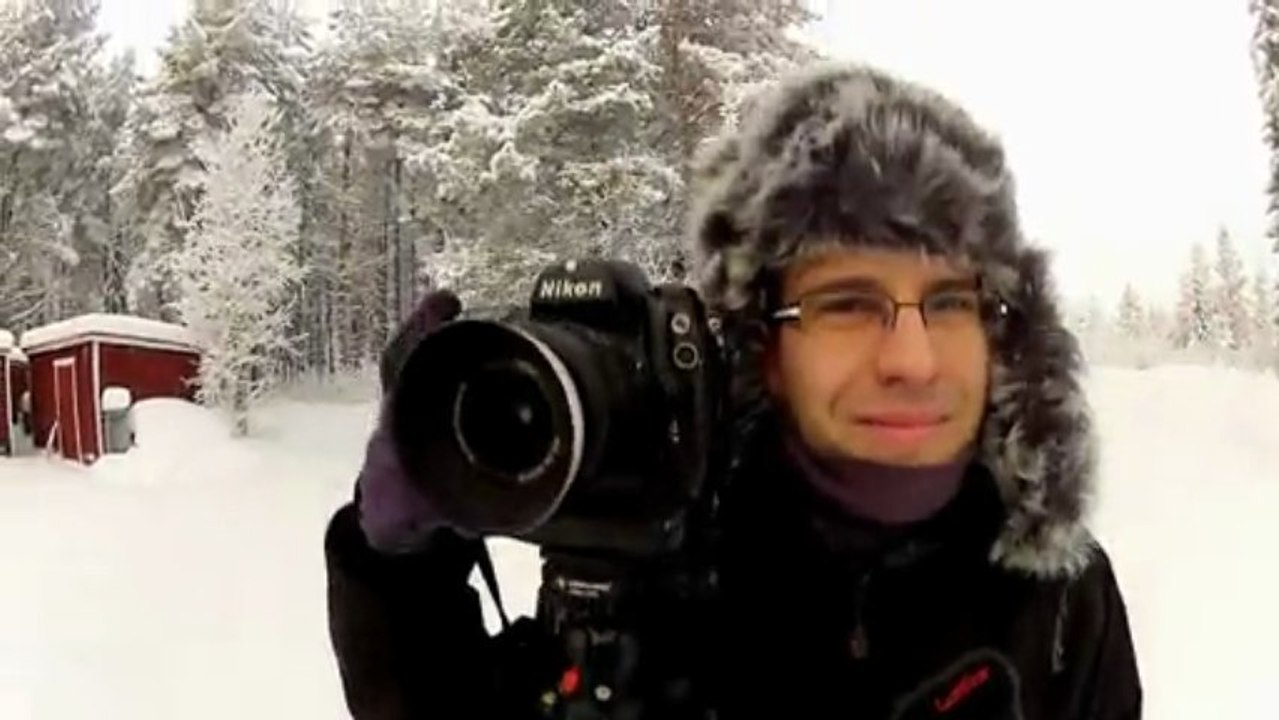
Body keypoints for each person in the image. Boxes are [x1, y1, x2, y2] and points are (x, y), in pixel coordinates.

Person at [324, 62, 1142, 720]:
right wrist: (399, 575)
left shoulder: (1060, 604)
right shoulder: (659, 561)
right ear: (765, 346)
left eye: (950, 302)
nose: (913, 360)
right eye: (848, 303)